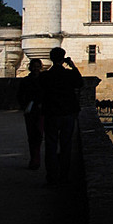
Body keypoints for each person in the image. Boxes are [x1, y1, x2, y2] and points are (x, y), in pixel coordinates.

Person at [40, 47, 83, 185]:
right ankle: (64, 175)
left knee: (51, 145)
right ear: (63, 58)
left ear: (51, 58)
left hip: (51, 114)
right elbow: (80, 83)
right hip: (67, 113)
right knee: (66, 145)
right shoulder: (69, 74)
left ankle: (51, 176)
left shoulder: (45, 76)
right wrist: (73, 66)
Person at [16, 58, 44, 169]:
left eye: (38, 67)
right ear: (30, 67)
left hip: (40, 111)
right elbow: (20, 96)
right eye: (34, 67)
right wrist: (25, 106)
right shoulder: (26, 81)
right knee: (32, 135)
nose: (36, 69)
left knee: (38, 135)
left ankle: (35, 159)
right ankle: (34, 158)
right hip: (31, 112)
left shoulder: (42, 80)